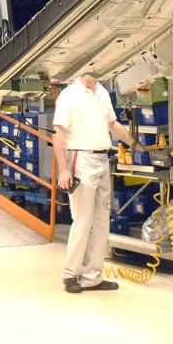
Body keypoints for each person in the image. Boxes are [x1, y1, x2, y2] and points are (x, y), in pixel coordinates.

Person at [52, 74, 142, 293]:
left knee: (101, 221)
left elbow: (112, 124)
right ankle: (70, 274)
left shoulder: (102, 92)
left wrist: (135, 144)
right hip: (80, 157)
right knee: (83, 220)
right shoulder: (69, 95)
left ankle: (92, 277)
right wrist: (63, 170)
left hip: (103, 158)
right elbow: (59, 134)